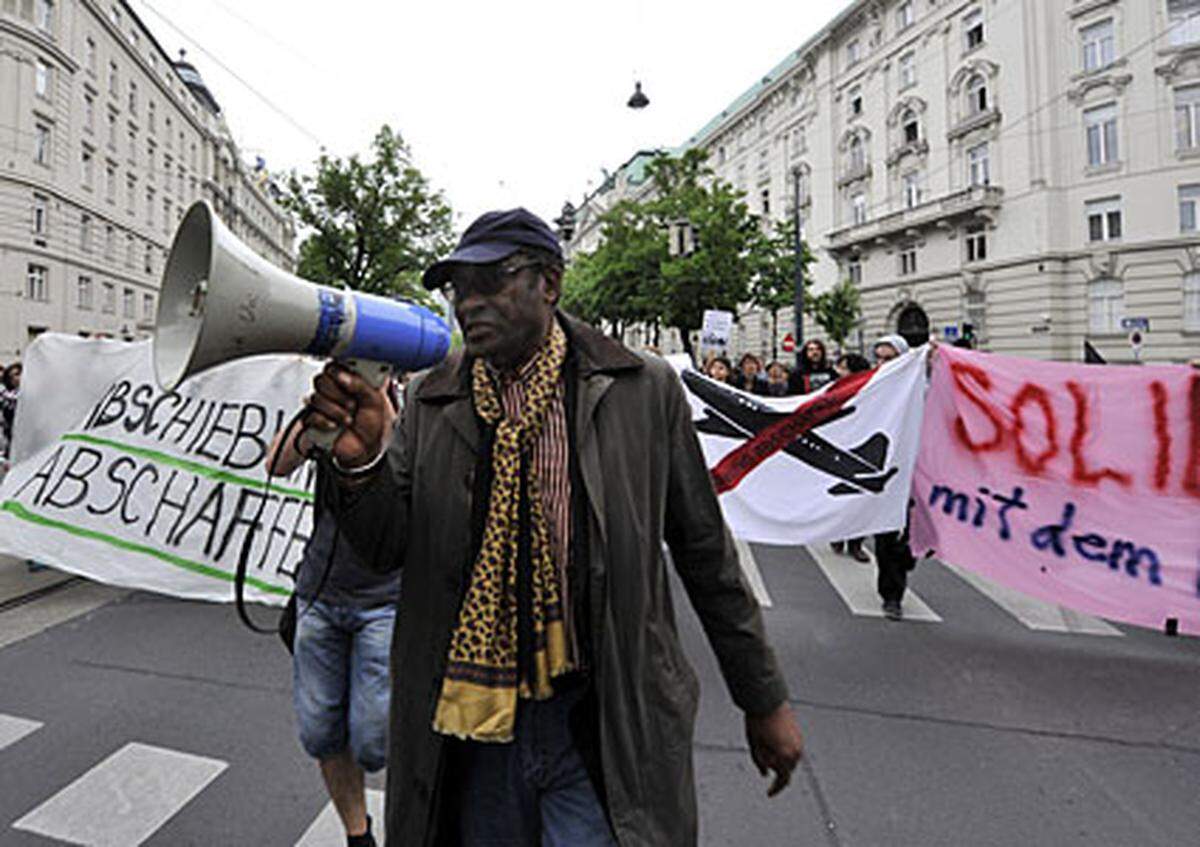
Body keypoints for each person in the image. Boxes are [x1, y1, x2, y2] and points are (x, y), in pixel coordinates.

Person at [308, 208, 803, 846]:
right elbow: (384, 548)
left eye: (492, 280)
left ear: (550, 283)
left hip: (599, 719)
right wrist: (359, 468)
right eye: (460, 287)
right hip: (474, 727)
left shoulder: (640, 389)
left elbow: (705, 552)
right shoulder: (433, 399)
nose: (470, 303)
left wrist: (763, 698)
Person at [264, 385, 403, 847]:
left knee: (371, 739)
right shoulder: (326, 412)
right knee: (322, 730)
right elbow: (276, 463)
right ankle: (357, 834)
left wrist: (380, 412)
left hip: (385, 602)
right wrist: (310, 428)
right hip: (320, 596)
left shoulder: (408, 413)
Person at [871, 335, 917, 620]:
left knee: (909, 537)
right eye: (879, 357)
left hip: (916, 472)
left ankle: (906, 558)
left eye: (890, 358)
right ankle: (892, 595)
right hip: (883, 473)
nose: (883, 363)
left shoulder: (920, 387)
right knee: (887, 535)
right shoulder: (871, 388)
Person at [828, 352, 872, 563]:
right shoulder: (834, 387)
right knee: (839, 495)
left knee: (859, 496)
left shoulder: (870, 388)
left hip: (862, 446)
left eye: (844, 367)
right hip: (838, 445)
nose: (840, 371)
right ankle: (837, 534)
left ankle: (856, 543)